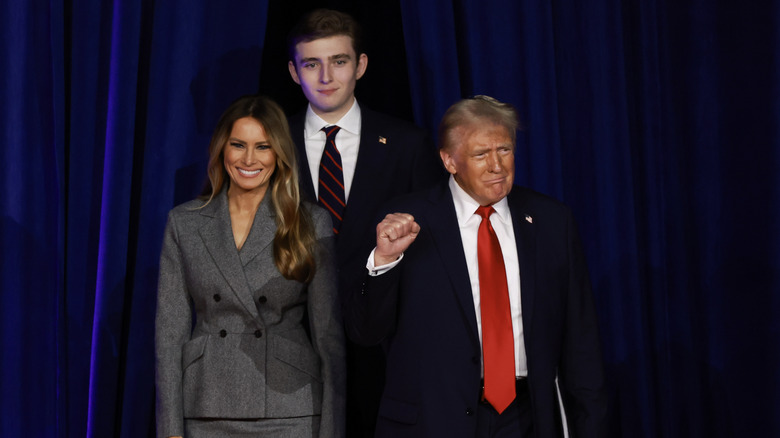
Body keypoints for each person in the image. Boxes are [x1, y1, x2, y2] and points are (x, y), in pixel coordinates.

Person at [345, 96, 608, 438]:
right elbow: (366, 331)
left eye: (504, 150)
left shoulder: (552, 221)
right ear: (449, 160)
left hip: (527, 419)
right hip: (433, 422)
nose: (497, 166)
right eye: (481, 154)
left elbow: (581, 344)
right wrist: (384, 261)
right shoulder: (406, 221)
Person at [285, 9, 442, 437]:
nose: (326, 77)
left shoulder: (408, 144)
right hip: (290, 353)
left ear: (361, 65)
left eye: (339, 61)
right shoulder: (270, 143)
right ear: (294, 72)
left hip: (385, 351)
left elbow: (433, 250)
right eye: (311, 64)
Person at [155, 94, 345, 438]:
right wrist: (170, 429)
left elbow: (328, 338)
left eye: (263, 147)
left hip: (291, 408)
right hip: (207, 404)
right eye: (238, 145)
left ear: (279, 153)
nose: (248, 159)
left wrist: (331, 429)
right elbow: (169, 336)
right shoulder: (184, 223)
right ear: (221, 149)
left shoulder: (309, 222)